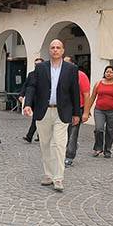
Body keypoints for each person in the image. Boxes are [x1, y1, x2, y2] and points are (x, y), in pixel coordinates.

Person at [24, 39, 80, 192]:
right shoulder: (40, 68)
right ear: (49, 51)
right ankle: (48, 174)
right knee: (45, 144)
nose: (55, 50)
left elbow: (75, 91)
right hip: (43, 111)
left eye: (58, 47)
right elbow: (31, 87)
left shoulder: (71, 69)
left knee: (59, 145)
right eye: (52, 47)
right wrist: (28, 104)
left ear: (63, 50)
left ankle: (58, 178)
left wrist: (77, 113)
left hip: (63, 112)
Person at [83, 65, 113, 159]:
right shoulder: (98, 83)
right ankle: (98, 148)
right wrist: (87, 111)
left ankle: (107, 150)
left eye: (111, 72)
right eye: (107, 72)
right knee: (99, 129)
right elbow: (92, 98)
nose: (108, 73)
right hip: (99, 110)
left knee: (110, 131)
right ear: (104, 73)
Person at [64, 56, 91, 166]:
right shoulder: (60, 75)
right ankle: (70, 147)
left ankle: (69, 156)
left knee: (73, 133)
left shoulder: (81, 75)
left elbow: (86, 95)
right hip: (63, 108)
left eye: (66, 63)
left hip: (77, 108)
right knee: (63, 133)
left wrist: (85, 112)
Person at [19, 58, 44, 143]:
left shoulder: (46, 74)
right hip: (32, 99)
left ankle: (30, 136)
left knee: (36, 118)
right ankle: (38, 135)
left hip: (41, 100)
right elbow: (26, 85)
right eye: (35, 64)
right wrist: (21, 95)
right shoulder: (31, 74)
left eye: (38, 64)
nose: (36, 66)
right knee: (37, 118)